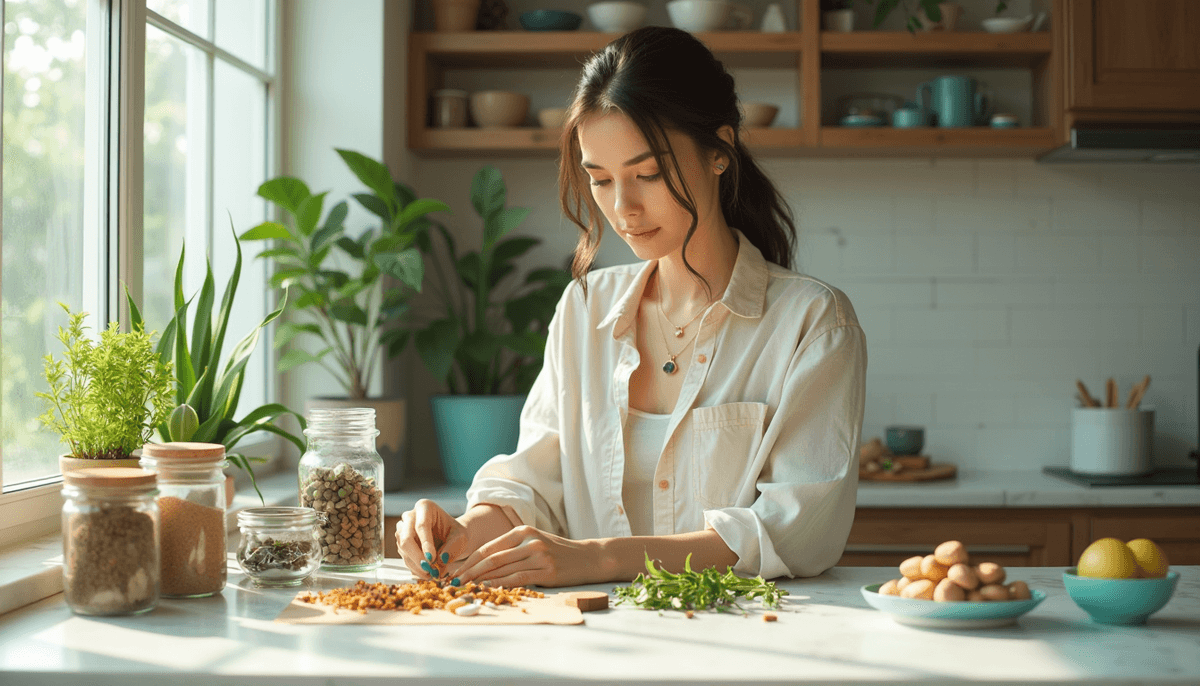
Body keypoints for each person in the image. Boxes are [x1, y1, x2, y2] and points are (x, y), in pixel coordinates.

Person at [395, 26, 867, 588]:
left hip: (746, 641)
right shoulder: (584, 308)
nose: (623, 208)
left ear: (720, 151)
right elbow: (532, 486)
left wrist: (598, 559)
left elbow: (796, 531)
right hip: (594, 644)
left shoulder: (813, 323)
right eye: (599, 179)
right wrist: (464, 530)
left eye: (647, 174)